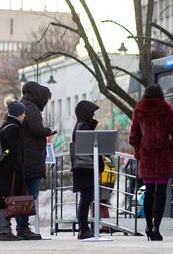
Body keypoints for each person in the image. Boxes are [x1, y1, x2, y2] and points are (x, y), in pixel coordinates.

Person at [129, 84, 173, 241]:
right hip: (163, 157)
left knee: (148, 193)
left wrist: (139, 151)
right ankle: (156, 227)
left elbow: (133, 137)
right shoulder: (165, 108)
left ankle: (147, 225)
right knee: (161, 193)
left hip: (147, 158)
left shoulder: (139, 109)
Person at [18, 81, 56, 240]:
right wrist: (49, 131)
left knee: (23, 194)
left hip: (24, 158)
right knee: (30, 195)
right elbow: (37, 130)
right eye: (46, 100)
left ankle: (22, 227)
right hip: (32, 159)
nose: (46, 104)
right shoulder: (31, 108)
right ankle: (23, 228)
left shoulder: (21, 105)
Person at [0, 98, 27, 241]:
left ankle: (5, 230)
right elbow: (13, 151)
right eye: (23, 113)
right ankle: (5, 231)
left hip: (5, 168)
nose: (25, 116)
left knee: (3, 198)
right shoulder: (14, 128)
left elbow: (7, 150)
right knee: (7, 199)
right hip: (11, 170)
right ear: (18, 114)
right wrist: (18, 167)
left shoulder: (6, 126)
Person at [71, 99, 100, 240]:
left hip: (83, 168)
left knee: (86, 198)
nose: (94, 115)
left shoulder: (80, 125)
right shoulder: (83, 126)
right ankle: (84, 229)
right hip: (86, 168)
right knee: (86, 198)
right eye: (92, 113)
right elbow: (89, 146)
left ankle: (84, 228)